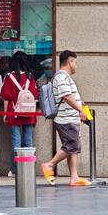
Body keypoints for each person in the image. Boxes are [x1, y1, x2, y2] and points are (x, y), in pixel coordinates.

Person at [41, 50, 90, 187]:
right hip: (66, 118)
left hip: (70, 118)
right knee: (71, 145)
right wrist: (80, 110)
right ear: (70, 62)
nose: (76, 66)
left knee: (74, 147)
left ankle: (74, 177)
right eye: (75, 62)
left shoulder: (65, 77)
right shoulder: (61, 77)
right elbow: (67, 96)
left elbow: (70, 96)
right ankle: (49, 165)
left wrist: (80, 104)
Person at [0, 51, 38, 177]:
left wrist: (5, 114)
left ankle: (15, 170)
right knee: (28, 141)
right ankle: (28, 169)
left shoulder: (9, 77)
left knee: (16, 141)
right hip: (29, 112)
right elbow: (35, 96)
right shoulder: (30, 77)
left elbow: (6, 97)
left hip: (14, 112)